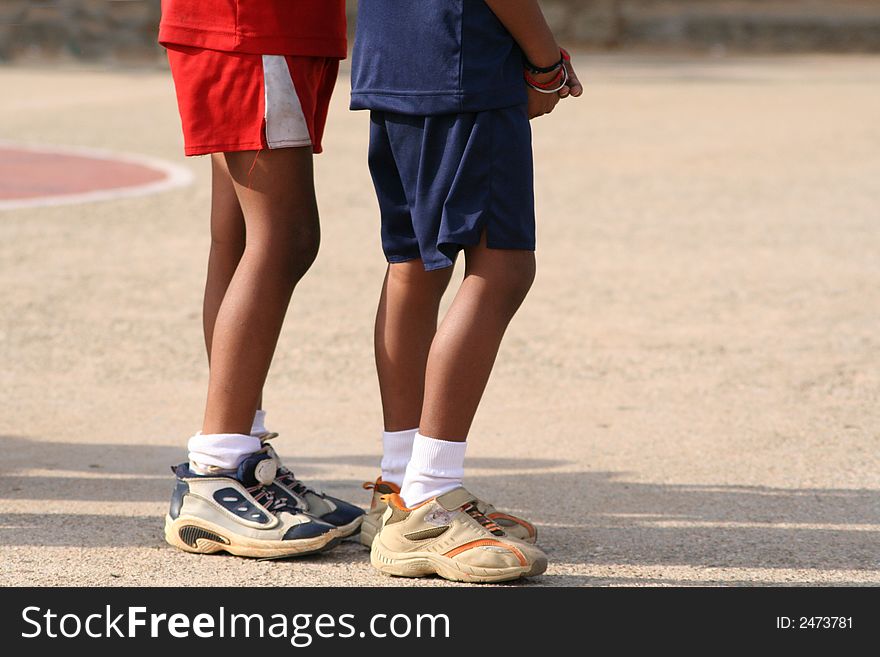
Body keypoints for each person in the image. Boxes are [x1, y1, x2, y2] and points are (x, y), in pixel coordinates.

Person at [351, 0, 583, 582]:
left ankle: (400, 484)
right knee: (502, 269)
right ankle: (428, 499)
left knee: (415, 264)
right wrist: (545, 62)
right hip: (463, 61)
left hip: (395, 55)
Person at [158, 0, 364, 559]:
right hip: (253, 25)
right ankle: (216, 467)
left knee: (245, 239)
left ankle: (240, 459)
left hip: (270, 26)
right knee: (285, 237)